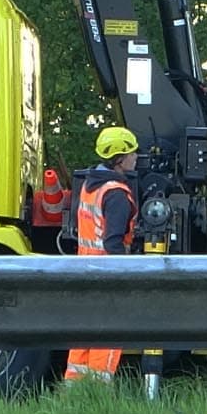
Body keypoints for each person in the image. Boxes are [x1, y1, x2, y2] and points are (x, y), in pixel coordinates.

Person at [65, 125, 140, 383]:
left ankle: (74, 391)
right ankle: (98, 388)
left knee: (85, 334)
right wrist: (124, 274)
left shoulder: (90, 185)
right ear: (120, 159)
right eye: (132, 153)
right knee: (108, 334)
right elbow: (112, 241)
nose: (136, 157)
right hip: (108, 274)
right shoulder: (116, 194)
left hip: (85, 271)